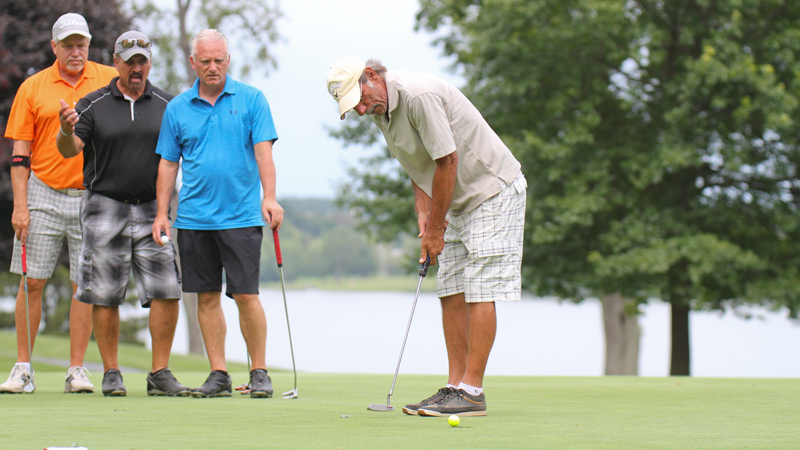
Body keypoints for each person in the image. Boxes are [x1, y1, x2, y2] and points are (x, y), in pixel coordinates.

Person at [326, 57, 527, 417]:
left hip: (492, 190)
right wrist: (425, 218)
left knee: (481, 286)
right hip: (457, 200)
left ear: (372, 76)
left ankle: (472, 391)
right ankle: (454, 387)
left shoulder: (418, 96)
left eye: (359, 98)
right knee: (450, 287)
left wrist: (436, 229)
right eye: (351, 107)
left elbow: (446, 161)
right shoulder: (380, 111)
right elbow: (420, 165)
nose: (359, 109)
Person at [55, 30, 189, 397]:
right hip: (104, 205)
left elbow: (184, 153)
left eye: (142, 61)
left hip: (154, 209)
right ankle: (111, 371)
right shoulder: (92, 103)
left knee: (166, 290)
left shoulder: (169, 104)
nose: (136, 67)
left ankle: (159, 372)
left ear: (149, 64)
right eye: (129, 60)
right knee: (104, 293)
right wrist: (65, 131)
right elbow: (70, 149)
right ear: (115, 62)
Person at [152, 29, 283, 399]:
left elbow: (263, 154)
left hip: (240, 217)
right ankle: (219, 373)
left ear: (229, 60)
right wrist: (162, 213)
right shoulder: (177, 107)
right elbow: (167, 164)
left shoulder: (253, 99)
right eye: (205, 61)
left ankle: (259, 371)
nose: (213, 67)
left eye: (219, 60)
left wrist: (269, 197)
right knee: (206, 297)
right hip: (193, 218)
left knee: (245, 295)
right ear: (193, 63)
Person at [1, 13, 118, 394]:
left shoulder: (106, 78)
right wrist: (21, 206)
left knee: (84, 285)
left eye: (80, 44)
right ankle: (23, 368)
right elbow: (20, 155)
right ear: (54, 47)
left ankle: (77, 370)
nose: (75, 51)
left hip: (93, 194)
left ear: (88, 45)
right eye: (67, 45)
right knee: (32, 281)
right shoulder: (33, 87)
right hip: (44, 191)